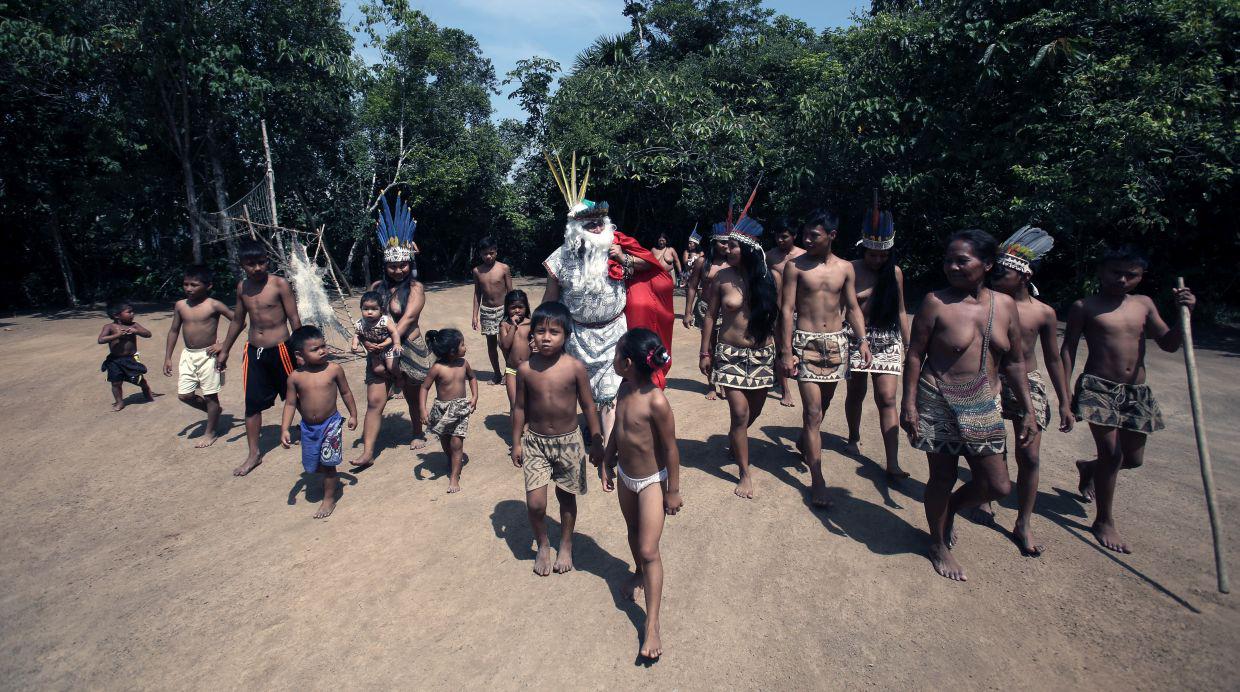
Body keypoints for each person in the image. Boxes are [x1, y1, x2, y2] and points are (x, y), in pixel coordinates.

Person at [901, 230, 1037, 581]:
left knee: (998, 485)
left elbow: (1016, 362)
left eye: (962, 260)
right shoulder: (936, 302)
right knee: (942, 476)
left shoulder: (1004, 305)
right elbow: (915, 354)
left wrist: (1028, 411)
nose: (952, 267)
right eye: (948, 260)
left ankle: (949, 513)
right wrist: (909, 404)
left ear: (988, 264)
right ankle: (937, 543)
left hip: (983, 403)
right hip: (938, 398)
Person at [1061, 245, 1195, 554]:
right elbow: (1067, 349)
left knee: (1132, 459)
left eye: (1130, 275)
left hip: (1135, 392)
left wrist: (1185, 313)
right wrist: (1066, 394)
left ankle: (1090, 469)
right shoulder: (1086, 306)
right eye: (1115, 272)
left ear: (1141, 277)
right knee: (1112, 453)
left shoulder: (1144, 305)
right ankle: (1104, 521)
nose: (1122, 279)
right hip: (1098, 388)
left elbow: (1170, 343)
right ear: (1101, 272)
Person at [541, 152, 672, 441]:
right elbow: (550, 300)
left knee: (612, 391)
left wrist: (624, 258)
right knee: (584, 389)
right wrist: (541, 330)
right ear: (577, 229)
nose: (598, 228)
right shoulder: (559, 259)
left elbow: (653, 266)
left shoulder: (618, 248)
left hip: (615, 331)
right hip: (577, 335)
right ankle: (596, 428)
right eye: (591, 224)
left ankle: (609, 446)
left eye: (601, 222)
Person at [979, 226, 1074, 556]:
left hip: (1027, 382)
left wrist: (1065, 401)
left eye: (1002, 273)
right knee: (992, 445)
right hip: (989, 378)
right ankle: (988, 494)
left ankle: (1024, 521)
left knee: (1030, 454)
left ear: (1022, 276)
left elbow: (1053, 357)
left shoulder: (1043, 312)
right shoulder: (985, 303)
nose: (994, 278)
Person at [598, 328, 682, 660]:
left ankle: (652, 624)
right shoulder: (623, 387)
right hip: (624, 476)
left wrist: (673, 490)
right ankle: (637, 572)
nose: (614, 359)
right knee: (633, 533)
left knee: (649, 549)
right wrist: (606, 460)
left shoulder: (656, 400)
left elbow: (671, 448)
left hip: (650, 481)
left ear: (628, 362)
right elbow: (619, 429)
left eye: (617, 355)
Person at [778, 211, 871, 507]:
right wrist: (786, 351)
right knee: (813, 412)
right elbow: (785, 309)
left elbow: (853, 307)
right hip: (805, 342)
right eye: (805, 234)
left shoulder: (845, 268)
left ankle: (806, 440)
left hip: (836, 344)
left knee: (825, 404)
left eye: (813, 236)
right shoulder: (796, 267)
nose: (806, 240)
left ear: (831, 236)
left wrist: (863, 341)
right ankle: (818, 480)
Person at [511, 301, 604, 576]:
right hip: (536, 442)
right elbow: (519, 408)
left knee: (566, 498)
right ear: (532, 334)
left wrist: (597, 439)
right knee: (536, 503)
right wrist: (516, 441)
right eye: (540, 331)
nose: (546, 337)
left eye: (554, 332)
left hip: (569, 442)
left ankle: (566, 542)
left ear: (567, 334)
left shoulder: (575, 368)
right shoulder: (526, 370)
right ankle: (543, 543)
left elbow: (588, 405)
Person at [351, 194, 434, 467]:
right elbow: (366, 319)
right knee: (375, 401)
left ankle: (417, 431)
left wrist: (387, 342)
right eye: (393, 265)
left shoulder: (417, 288)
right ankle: (367, 452)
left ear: (409, 263)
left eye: (403, 264)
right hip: (377, 350)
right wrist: (367, 344)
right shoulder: (376, 288)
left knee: (412, 396)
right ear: (385, 265)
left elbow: (409, 318)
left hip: (406, 347)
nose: (398, 270)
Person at [699, 213, 778, 499]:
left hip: (762, 355)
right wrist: (705, 351)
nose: (727, 249)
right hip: (729, 354)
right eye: (727, 245)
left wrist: (784, 354)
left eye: (733, 246)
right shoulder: (721, 277)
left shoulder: (770, 277)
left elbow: (777, 320)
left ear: (747, 250)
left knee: (753, 412)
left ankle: (736, 437)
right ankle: (744, 472)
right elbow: (709, 316)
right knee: (741, 413)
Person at [216, 240, 302, 476]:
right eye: (251, 264)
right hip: (254, 351)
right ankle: (254, 453)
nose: (257, 268)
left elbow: (294, 318)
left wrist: (300, 349)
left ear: (267, 261)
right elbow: (237, 320)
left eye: (261, 262)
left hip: (282, 349)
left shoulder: (279, 284)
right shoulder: (242, 288)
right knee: (252, 404)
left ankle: (314, 430)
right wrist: (224, 349)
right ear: (243, 265)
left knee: (298, 395)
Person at [842, 198, 911, 480]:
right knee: (856, 393)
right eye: (872, 255)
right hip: (856, 337)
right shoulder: (851, 269)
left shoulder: (894, 273)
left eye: (882, 256)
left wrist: (909, 346)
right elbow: (846, 308)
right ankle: (853, 436)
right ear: (864, 249)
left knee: (887, 398)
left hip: (887, 338)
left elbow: (903, 310)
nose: (877, 260)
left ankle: (892, 461)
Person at [279, 325, 359, 519]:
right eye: (315, 349)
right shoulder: (295, 377)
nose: (322, 350)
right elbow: (290, 404)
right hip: (308, 427)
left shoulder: (333, 369)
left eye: (323, 346)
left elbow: (346, 392)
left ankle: (329, 498)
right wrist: (284, 429)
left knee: (329, 463)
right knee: (314, 463)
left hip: (331, 424)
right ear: (300, 354)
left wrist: (353, 414)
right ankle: (331, 479)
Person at [163, 265, 234, 446]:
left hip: (208, 356)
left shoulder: (214, 305)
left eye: (194, 285)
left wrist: (223, 345)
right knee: (185, 395)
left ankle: (210, 432)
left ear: (208, 285)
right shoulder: (180, 305)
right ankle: (214, 411)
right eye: (186, 284)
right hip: (188, 355)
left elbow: (238, 321)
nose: (188, 288)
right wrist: (168, 357)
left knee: (210, 395)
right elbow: (173, 331)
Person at [418, 329, 478, 493]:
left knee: (456, 443)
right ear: (452, 351)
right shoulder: (437, 368)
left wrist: (474, 396)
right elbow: (424, 387)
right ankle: (450, 459)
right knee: (444, 439)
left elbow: (472, 377)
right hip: (441, 409)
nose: (465, 347)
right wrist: (422, 409)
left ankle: (454, 477)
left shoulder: (463, 363)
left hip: (460, 409)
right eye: (462, 344)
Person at [683, 229, 731, 400]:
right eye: (722, 242)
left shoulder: (734, 263)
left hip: (727, 312)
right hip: (705, 308)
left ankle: (724, 384)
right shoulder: (702, 262)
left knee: (724, 348)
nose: (725, 245)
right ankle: (712, 384)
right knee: (709, 347)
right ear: (714, 243)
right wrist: (688, 312)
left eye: (728, 242)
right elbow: (692, 287)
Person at [767, 224, 806, 408]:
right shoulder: (770, 256)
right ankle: (785, 390)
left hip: (801, 311)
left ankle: (805, 383)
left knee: (802, 350)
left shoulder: (804, 255)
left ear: (794, 235)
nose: (780, 240)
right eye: (777, 236)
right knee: (782, 349)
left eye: (784, 236)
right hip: (777, 311)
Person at [98, 299, 157, 411]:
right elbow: (101, 340)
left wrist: (137, 331)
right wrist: (117, 335)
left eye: (132, 311)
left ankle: (146, 389)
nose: (132, 314)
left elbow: (148, 334)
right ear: (117, 315)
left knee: (138, 379)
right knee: (115, 382)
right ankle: (119, 402)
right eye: (129, 312)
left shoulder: (134, 325)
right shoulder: (109, 327)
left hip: (131, 359)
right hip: (114, 360)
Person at [471, 237, 513, 384]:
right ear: (480, 254)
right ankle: (496, 374)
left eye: (491, 252)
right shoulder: (477, 271)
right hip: (486, 311)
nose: (488, 256)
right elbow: (477, 294)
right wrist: (474, 316)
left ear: (496, 251)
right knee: (491, 345)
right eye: (485, 254)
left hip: (503, 310)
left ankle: (509, 374)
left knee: (505, 344)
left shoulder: (504, 268)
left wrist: (511, 312)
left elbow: (510, 292)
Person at [498, 289, 532, 414]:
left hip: (530, 369)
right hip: (512, 370)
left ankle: (527, 429)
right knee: (514, 405)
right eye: (513, 307)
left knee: (529, 403)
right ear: (507, 308)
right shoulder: (504, 325)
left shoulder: (531, 324)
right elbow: (505, 345)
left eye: (520, 307)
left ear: (526, 308)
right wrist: (513, 327)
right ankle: (516, 433)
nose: (517, 310)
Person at [351, 291, 397, 381]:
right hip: (374, 351)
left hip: (388, 347)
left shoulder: (385, 321)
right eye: (366, 309)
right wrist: (354, 344)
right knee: (377, 370)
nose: (369, 312)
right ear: (361, 309)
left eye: (374, 309)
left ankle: (399, 377)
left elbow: (394, 333)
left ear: (381, 310)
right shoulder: (360, 323)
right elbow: (357, 334)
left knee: (392, 367)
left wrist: (396, 343)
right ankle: (390, 378)